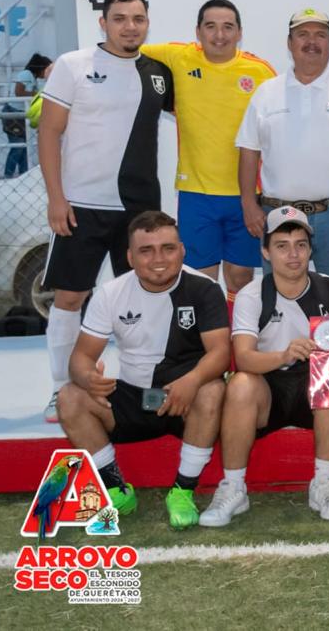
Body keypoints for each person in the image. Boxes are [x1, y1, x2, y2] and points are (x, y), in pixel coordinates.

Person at [199, 207, 329, 526]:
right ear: (265, 252)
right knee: (241, 383)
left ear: (310, 250)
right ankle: (233, 487)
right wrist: (284, 355)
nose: (293, 254)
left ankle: (323, 483)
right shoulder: (252, 294)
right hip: (267, 388)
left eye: (301, 245)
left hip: (312, 391)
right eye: (282, 246)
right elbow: (243, 357)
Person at [39, 0, 175, 422]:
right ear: (103, 22)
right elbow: (48, 133)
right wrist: (56, 198)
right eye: (120, 18)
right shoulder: (73, 65)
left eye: (138, 19)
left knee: (147, 297)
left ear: (147, 23)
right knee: (70, 297)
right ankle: (61, 390)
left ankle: (145, 389)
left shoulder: (158, 73)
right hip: (81, 205)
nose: (129, 27)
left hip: (140, 211)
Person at [55, 211, 229, 529]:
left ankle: (182, 491)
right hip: (135, 398)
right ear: (130, 257)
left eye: (168, 248)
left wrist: (192, 380)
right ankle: (116, 488)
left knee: (212, 388)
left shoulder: (204, 288)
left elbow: (220, 353)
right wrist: (88, 378)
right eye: (146, 250)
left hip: (184, 401)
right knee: (69, 397)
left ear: (182, 250)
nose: (158, 259)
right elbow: (80, 358)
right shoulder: (111, 293)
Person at [237, 9, 329, 298]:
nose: (311, 42)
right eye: (302, 35)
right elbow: (249, 151)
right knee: (279, 300)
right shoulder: (266, 93)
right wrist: (248, 204)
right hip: (278, 216)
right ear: (289, 43)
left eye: (320, 35)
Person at [141, 0, 276, 298]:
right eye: (211, 27)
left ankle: (237, 330)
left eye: (228, 27)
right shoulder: (179, 56)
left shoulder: (260, 71)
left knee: (240, 278)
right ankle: (209, 331)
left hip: (246, 196)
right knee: (200, 279)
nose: (219, 35)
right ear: (198, 31)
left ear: (239, 32)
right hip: (196, 194)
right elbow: (129, 48)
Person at [3, 52, 49, 178]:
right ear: (40, 68)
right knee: (18, 147)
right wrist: (37, 95)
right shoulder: (26, 74)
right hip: (13, 113)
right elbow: (19, 92)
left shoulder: (33, 78)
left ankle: (23, 175)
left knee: (24, 147)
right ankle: (8, 175)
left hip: (20, 114)